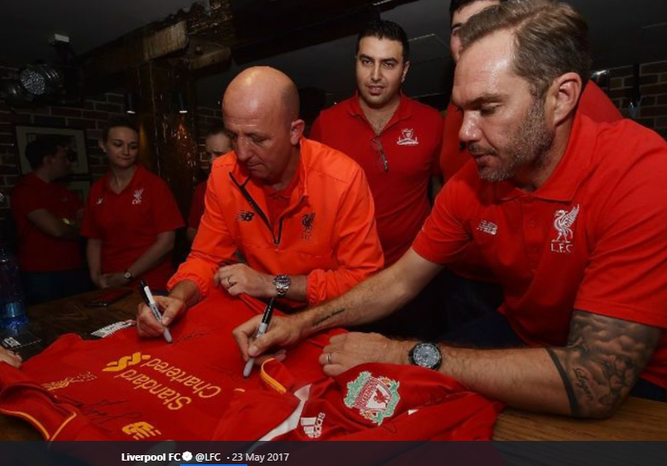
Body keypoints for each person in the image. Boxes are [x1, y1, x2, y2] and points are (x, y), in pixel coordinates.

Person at [234, 0, 667, 418]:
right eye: (462, 109)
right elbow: (398, 281)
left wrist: (399, 352)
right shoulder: (472, 184)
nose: (464, 132)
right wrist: (299, 325)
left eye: (488, 108)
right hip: (520, 333)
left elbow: (593, 381)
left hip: (642, 383)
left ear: (562, 97)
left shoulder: (641, 172)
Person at [137, 66, 383, 338]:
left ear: (295, 131)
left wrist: (271, 284)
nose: (241, 154)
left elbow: (362, 283)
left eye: (257, 138)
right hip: (256, 312)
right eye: (233, 136)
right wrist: (178, 298)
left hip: (326, 318)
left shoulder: (343, 179)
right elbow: (207, 257)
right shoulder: (223, 173)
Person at [438, 0, 625, 330]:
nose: (468, 133)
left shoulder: (611, 139)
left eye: (489, 108)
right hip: (473, 280)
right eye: (459, 30)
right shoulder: (458, 119)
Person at [310, 20, 444, 268]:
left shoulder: (432, 122)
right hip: (347, 268)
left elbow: (439, 187)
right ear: (356, 63)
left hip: (414, 266)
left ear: (404, 70)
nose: (375, 75)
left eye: (388, 64)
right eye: (367, 61)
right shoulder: (325, 124)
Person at [81, 118, 184, 292]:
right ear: (103, 145)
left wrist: (127, 275)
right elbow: (94, 239)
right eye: (118, 144)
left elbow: (166, 242)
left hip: (151, 284)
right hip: (110, 284)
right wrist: (95, 276)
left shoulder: (153, 185)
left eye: (133, 146)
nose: (126, 151)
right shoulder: (97, 190)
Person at [11, 137, 90, 304]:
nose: (68, 163)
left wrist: (70, 225)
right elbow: (56, 229)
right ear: (48, 160)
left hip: (74, 268)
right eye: (63, 158)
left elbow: (86, 220)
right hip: (42, 274)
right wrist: (72, 226)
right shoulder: (26, 190)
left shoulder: (63, 192)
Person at [187, 122, 232, 243]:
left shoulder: (254, 185)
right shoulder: (203, 188)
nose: (212, 161)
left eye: (219, 154)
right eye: (208, 155)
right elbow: (192, 232)